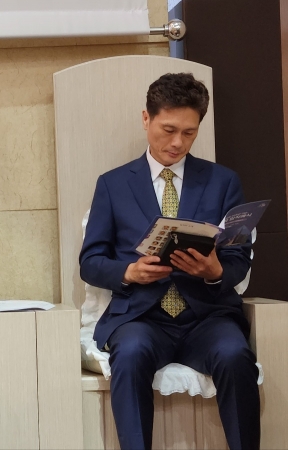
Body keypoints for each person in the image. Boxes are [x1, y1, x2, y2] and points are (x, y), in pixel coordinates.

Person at [80, 73, 260, 450]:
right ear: (146, 118)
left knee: (235, 355)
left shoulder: (223, 182)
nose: (178, 142)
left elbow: (238, 258)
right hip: (142, 318)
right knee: (129, 354)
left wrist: (215, 273)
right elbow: (91, 261)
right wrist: (129, 272)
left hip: (207, 316)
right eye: (169, 130)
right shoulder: (112, 184)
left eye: (189, 133)